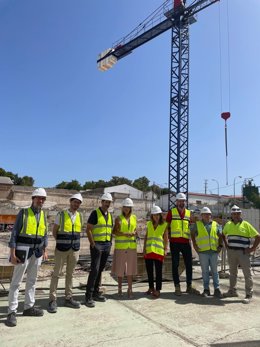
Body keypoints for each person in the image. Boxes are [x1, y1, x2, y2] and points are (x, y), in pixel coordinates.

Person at [6, 188, 48, 327]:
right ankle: (12, 311)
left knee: (32, 281)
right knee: (16, 282)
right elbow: (15, 234)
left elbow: (45, 234)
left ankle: (28, 307)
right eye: (38, 198)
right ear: (33, 198)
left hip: (37, 253)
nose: (40, 201)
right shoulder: (23, 212)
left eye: (43, 199)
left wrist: (45, 249)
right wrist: (12, 254)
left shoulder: (43, 215)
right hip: (22, 252)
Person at [48, 193, 83, 313]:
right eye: (74, 202)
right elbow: (54, 231)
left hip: (74, 249)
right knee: (56, 274)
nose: (76, 204)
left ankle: (68, 298)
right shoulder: (61, 214)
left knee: (70, 274)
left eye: (78, 202)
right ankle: (52, 300)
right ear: (70, 202)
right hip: (61, 249)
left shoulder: (80, 216)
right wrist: (62, 242)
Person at [222, 205, 260, 304]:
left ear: (240, 214)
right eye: (234, 214)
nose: (236, 215)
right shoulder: (228, 224)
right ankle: (232, 291)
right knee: (232, 273)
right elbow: (223, 234)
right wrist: (226, 245)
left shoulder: (246, 224)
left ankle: (248, 294)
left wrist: (252, 249)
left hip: (243, 253)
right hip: (232, 252)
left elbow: (257, 236)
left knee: (247, 274)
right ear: (231, 214)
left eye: (238, 213)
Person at [166, 192, 199, 295]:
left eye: (183, 201)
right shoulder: (171, 212)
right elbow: (166, 228)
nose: (181, 202)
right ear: (176, 202)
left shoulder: (189, 213)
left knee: (189, 265)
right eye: (180, 201)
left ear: (185, 202)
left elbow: (192, 228)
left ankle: (189, 286)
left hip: (185, 242)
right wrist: (166, 242)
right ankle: (177, 287)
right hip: (174, 243)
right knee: (175, 265)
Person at [84, 193, 113, 308]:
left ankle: (96, 292)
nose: (107, 204)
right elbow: (88, 229)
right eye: (105, 201)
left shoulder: (110, 215)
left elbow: (109, 229)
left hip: (106, 245)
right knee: (94, 270)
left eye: (109, 202)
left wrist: (110, 243)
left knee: (100, 270)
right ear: (102, 202)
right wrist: (93, 244)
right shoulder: (95, 213)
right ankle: (88, 296)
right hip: (97, 245)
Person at [191, 207, 223, 298]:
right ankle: (206, 289)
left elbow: (220, 235)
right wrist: (195, 245)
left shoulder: (215, 224)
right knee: (205, 271)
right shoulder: (197, 225)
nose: (207, 216)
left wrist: (220, 246)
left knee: (215, 271)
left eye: (208, 214)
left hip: (214, 251)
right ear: (202, 216)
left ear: (210, 215)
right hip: (203, 252)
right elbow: (192, 234)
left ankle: (217, 289)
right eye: (205, 214)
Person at [112, 198, 137, 298]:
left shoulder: (134, 218)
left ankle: (130, 289)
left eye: (128, 207)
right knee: (120, 269)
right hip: (121, 247)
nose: (127, 209)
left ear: (131, 208)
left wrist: (134, 232)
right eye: (125, 207)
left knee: (130, 269)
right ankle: (119, 289)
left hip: (131, 247)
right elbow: (114, 231)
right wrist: (125, 233)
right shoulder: (118, 218)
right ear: (123, 208)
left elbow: (135, 229)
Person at [143, 206, 168, 299]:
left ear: (160, 215)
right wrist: (144, 249)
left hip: (158, 251)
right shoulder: (149, 224)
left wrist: (165, 249)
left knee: (158, 272)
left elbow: (166, 239)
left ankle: (157, 290)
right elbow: (146, 237)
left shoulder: (164, 225)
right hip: (149, 250)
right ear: (152, 216)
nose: (156, 217)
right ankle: (151, 288)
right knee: (149, 271)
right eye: (154, 215)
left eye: (158, 215)